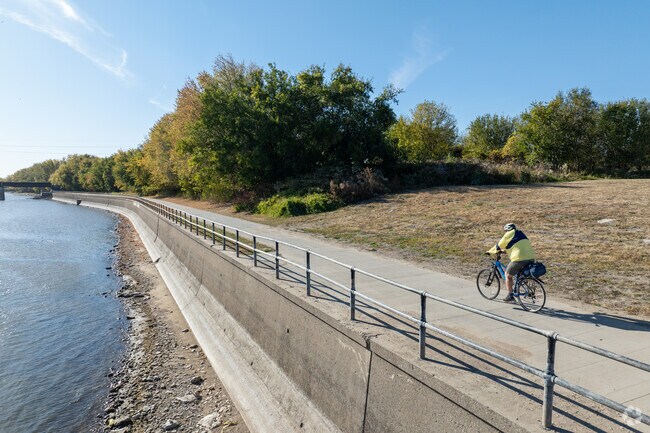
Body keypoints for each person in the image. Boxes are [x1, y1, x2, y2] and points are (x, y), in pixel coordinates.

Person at [486, 223, 536, 302]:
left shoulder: (509, 234)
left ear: (507, 229)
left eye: (505, 231)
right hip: (531, 257)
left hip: (519, 259)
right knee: (519, 274)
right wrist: (504, 251)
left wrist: (490, 251)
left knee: (508, 275)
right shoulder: (520, 233)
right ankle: (521, 285)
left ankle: (510, 295)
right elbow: (516, 245)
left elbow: (499, 246)